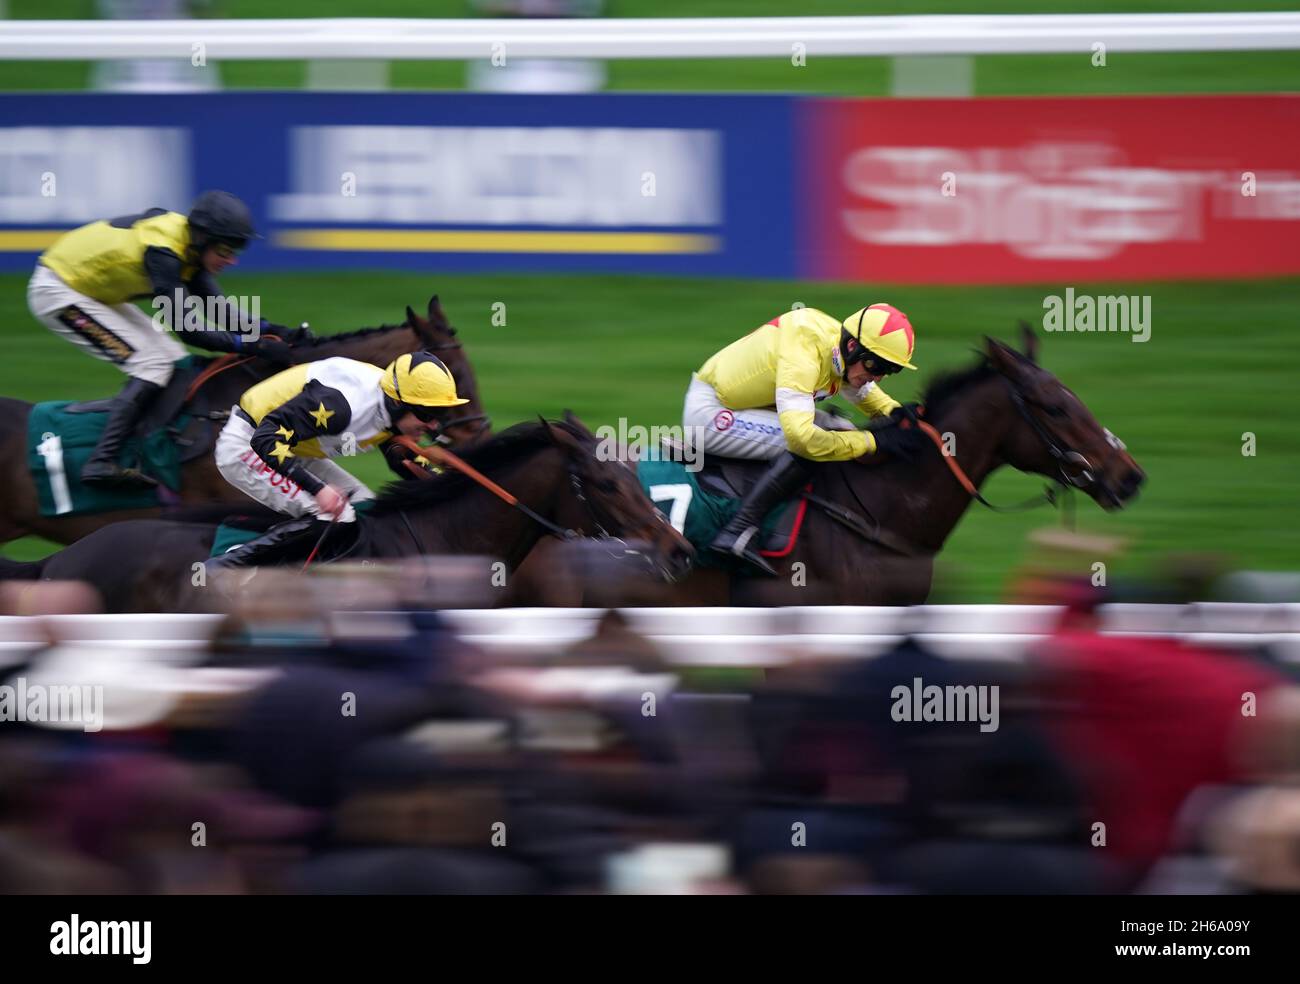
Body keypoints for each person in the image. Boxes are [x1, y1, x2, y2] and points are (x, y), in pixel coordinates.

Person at [27, 190, 305, 488]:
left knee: (175, 360)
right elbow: (189, 329)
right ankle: (101, 461)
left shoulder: (190, 248)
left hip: (91, 292)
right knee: (151, 364)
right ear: (202, 238)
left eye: (237, 250)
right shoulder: (164, 252)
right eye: (225, 249)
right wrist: (254, 345)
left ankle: (149, 441)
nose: (232, 260)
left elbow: (221, 313)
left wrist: (277, 331)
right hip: (58, 292)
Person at [684, 303, 927, 574]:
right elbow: (802, 439)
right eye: (875, 365)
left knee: (839, 429)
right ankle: (737, 532)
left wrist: (893, 412)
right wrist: (872, 442)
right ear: (851, 347)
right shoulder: (805, 350)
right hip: (711, 414)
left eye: (888, 370)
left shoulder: (838, 347)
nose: (877, 377)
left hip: (746, 406)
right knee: (816, 442)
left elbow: (859, 387)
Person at [205, 351, 467, 571]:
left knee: (365, 506)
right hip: (248, 446)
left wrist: (443, 481)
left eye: (439, 414)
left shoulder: (391, 403)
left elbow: (399, 457)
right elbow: (265, 440)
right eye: (427, 413)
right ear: (398, 403)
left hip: (291, 448)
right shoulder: (340, 406)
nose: (433, 424)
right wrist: (318, 489)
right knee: (335, 514)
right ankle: (225, 567)